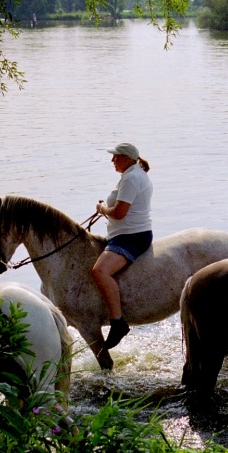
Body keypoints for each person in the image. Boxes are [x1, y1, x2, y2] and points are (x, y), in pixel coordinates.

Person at [93, 142, 153, 351]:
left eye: (115, 157)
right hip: (126, 234)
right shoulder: (134, 175)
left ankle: (118, 322)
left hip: (131, 237)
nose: (112, 160)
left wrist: (102, 209)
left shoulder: (131, 178)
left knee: (100, 271)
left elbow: (119, 213)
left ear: (126, 159)